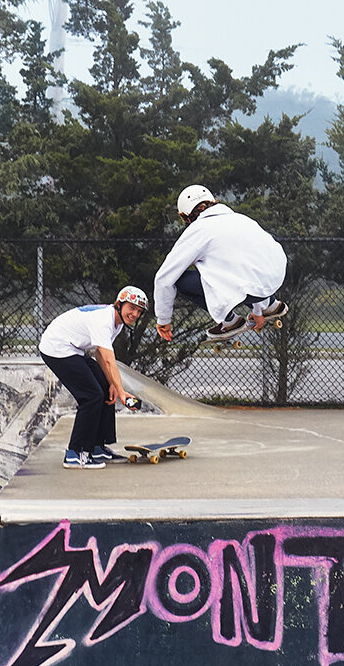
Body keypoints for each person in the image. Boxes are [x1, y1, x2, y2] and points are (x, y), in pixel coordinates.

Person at [152, 184, 288, 342]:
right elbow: (252, 266)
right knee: (238, 267)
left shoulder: (198, 230)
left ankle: (230, 321)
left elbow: (164, 278)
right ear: (213, 202)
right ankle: (271, 305)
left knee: (180, 279)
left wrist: (163, 320)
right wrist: (259, 311)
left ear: (188, 218)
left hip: (250, 286)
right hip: (275, 278)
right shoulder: (241, 219)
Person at [38, 286, 146, 468]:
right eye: (131, 308)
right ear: (119, 304)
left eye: (139, 311)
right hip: (56, 348)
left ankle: (97, 447)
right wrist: (121, 391)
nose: (135, 314)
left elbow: (100, 355)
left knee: (104, 389)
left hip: (73, 348)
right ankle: (74, 453)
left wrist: (111, 384)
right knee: (91, 396)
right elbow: (110, 360)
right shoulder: (104, 320)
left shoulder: (116, 322)